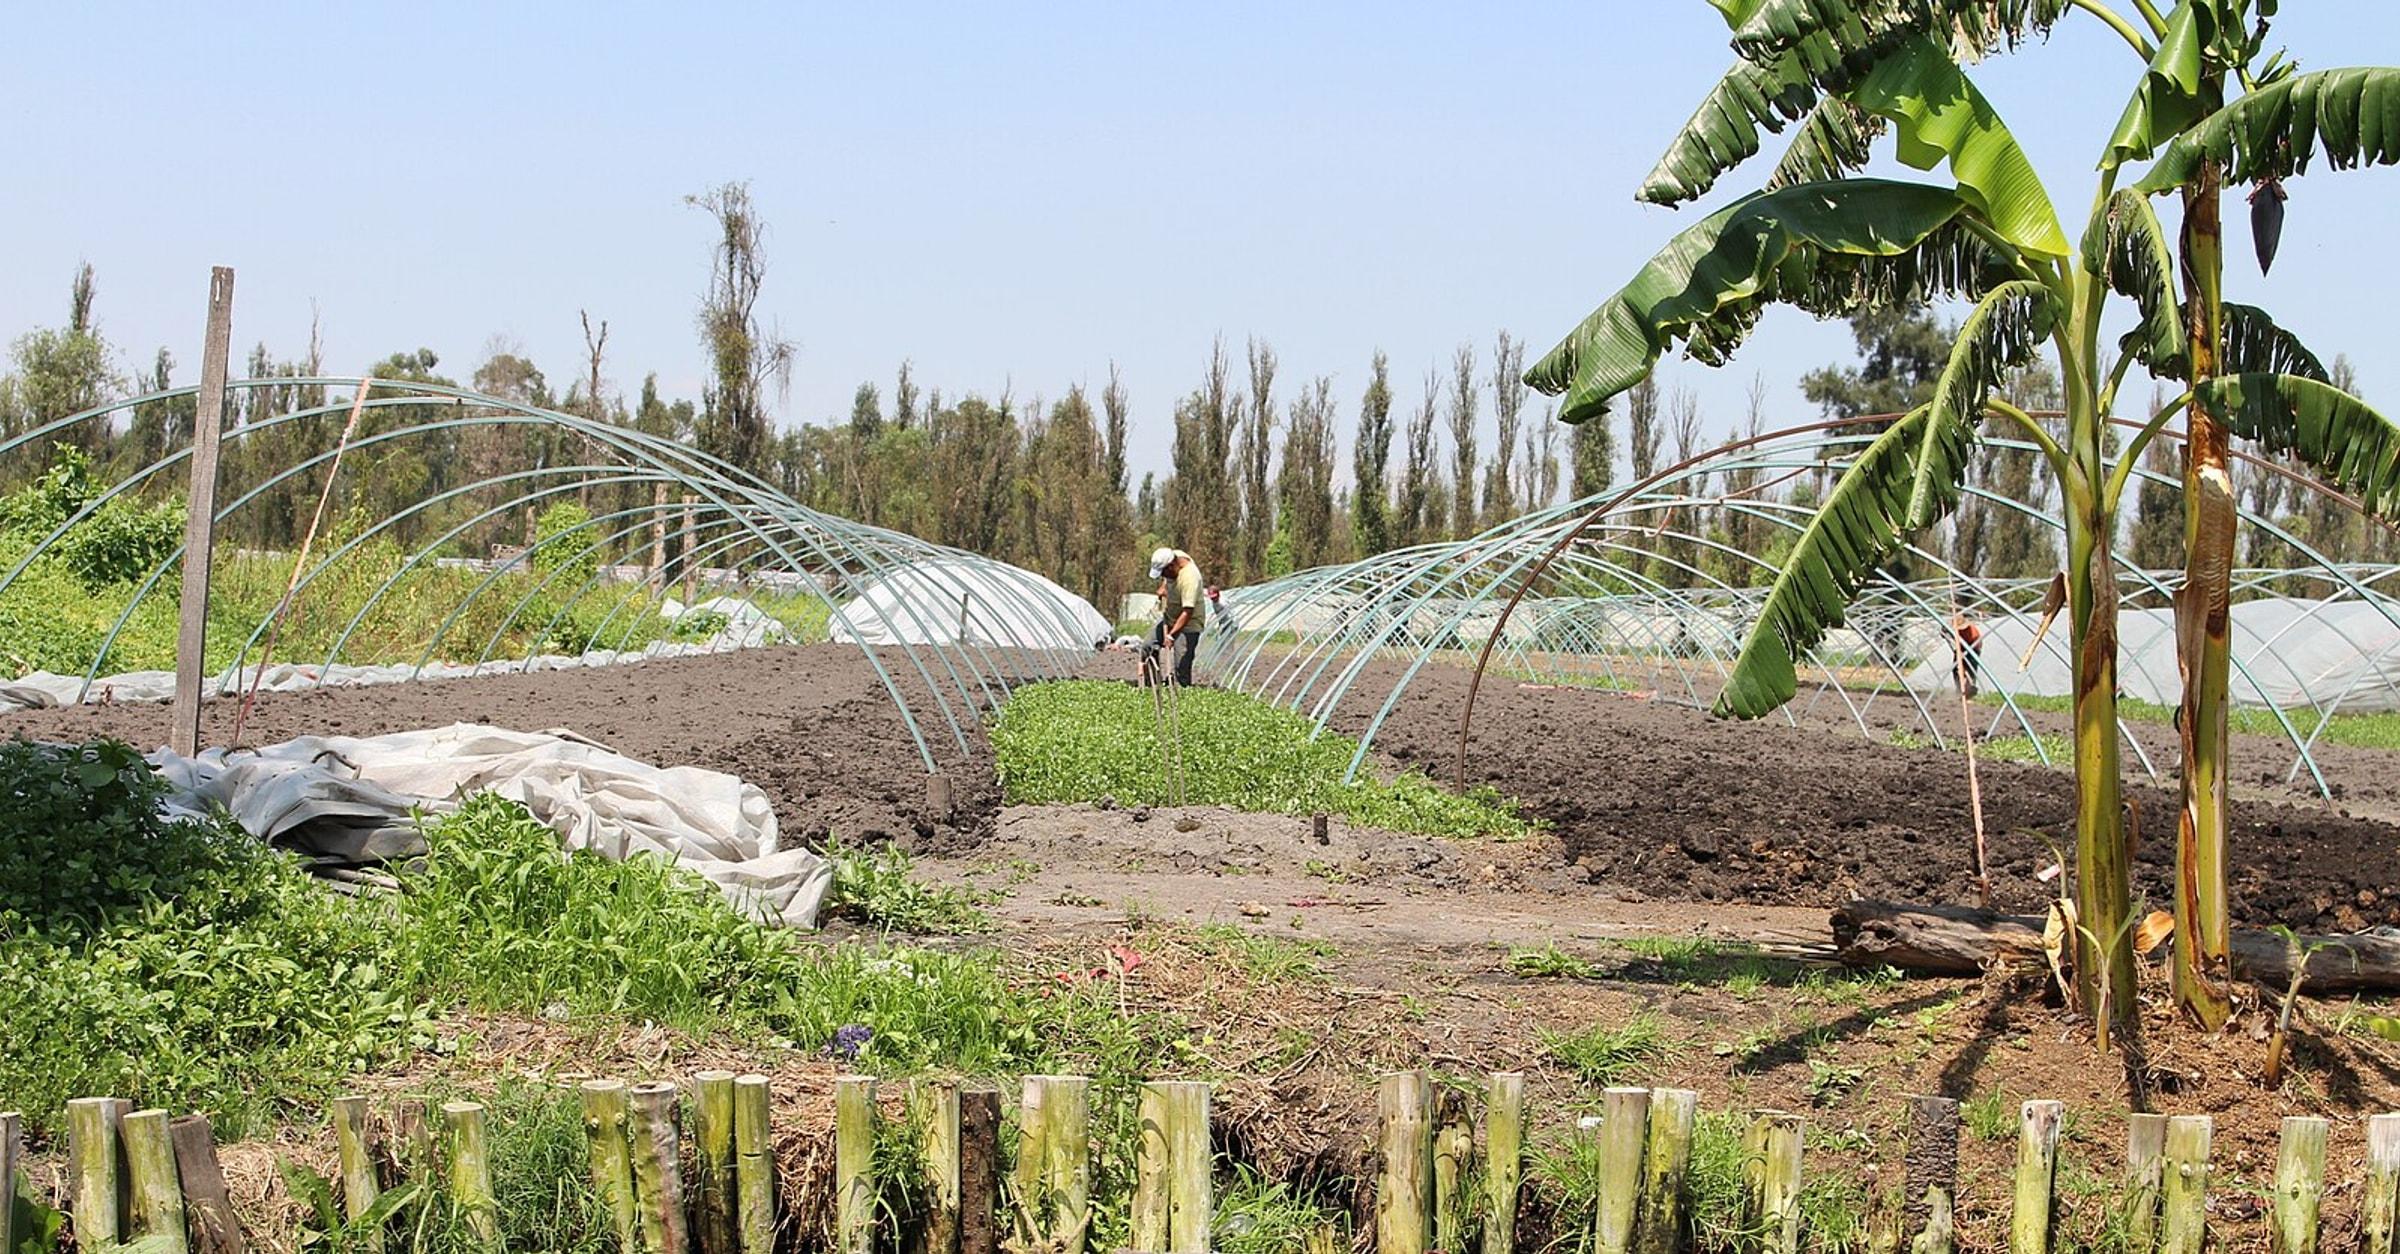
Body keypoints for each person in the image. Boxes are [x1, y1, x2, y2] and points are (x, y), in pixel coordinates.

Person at [1148, 546, 1205, 687]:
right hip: (1170, 619)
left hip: (1188, 625)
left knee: (1181, 665)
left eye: (1163, 573)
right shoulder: (1176, 556)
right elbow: (1167, 579)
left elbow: (1187, 612)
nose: (1163, 576)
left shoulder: (1190, 578)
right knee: (1147, 647)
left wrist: (1172, 636)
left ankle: (1183, 695)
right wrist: (1164, 586)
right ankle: (1154, 686)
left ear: (1171, 566)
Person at [1950, 612, 1985, 699]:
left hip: (1973, 649)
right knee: (1955, 669)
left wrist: (1965, 653)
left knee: (1971, 669)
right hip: (1961, 648)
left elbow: (1975, 644)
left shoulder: (1972, 632)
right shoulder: (1958, 631)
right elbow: (1953, 637)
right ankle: (1959, 689)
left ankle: (1970, 689)